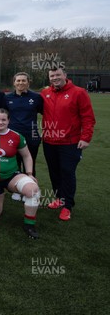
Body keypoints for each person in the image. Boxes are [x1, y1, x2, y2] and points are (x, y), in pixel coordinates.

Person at [0, 109, 41, 239]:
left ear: (8, 121)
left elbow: (27, 155)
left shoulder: (17, 136)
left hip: (11, 176)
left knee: (33, 190)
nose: (0, 122)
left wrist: (29, 173)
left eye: (3, 120)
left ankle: (29, 224)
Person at [41, 67, 96, 221]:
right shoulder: (45, 93)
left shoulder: (79, 92)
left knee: (67, 172)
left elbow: (88, 117)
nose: (55, 78)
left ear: (65, 75)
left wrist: (85, 138)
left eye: (58, 75)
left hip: (70, 142)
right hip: (49, 141)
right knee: (54, 171)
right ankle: (59, 198)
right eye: (52, 76)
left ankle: (67, 206)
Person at [4, 72, 43, 202]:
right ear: (14, 82)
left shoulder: (36, 97)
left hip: (31, 135)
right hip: (13, 136)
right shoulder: (7, 98)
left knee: (30, 163)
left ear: (28, 82)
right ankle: (17, 189)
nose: (21, 83)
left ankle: (32, 189)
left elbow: (45, 113)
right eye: (18, 81)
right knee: (15, 163)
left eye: (23, 81)